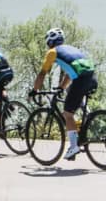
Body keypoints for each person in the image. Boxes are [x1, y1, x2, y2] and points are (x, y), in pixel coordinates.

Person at [32, 27, 99, 161]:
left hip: (80, 79)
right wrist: (62, 87)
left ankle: (74, 147)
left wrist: (34, 90)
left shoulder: (52, 52)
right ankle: (85, 124)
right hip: (92, 77)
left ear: (50, 42)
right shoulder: (71, 48)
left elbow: (42, 73)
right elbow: (70, 72)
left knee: (67, 114)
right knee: (73, 94)